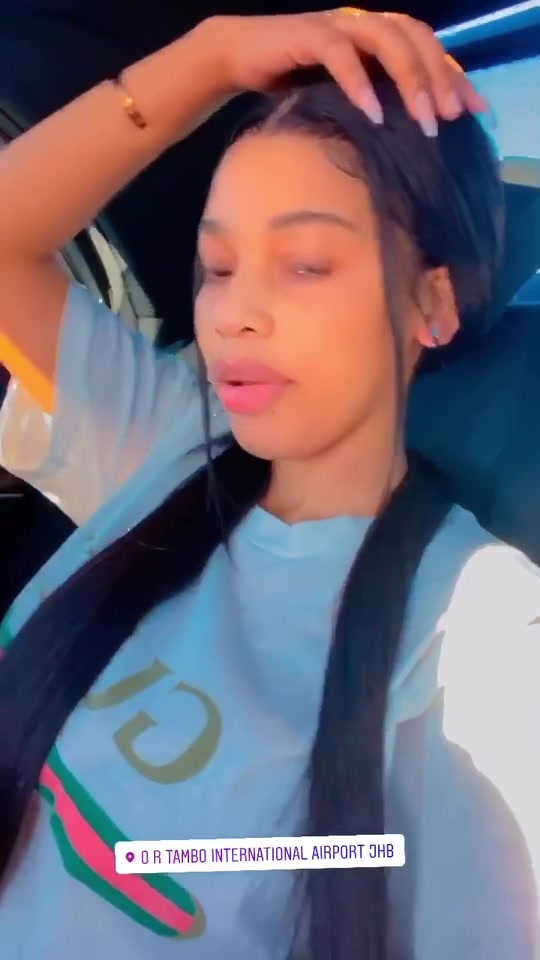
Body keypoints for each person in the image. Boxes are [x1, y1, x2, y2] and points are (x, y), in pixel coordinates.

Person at [0, 9, 538, 960]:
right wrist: (209, 56)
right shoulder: (170, 448)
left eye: (306, 264)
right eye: (217, 265)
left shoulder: (482, 635)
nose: (233, 314)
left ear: (433, 302)